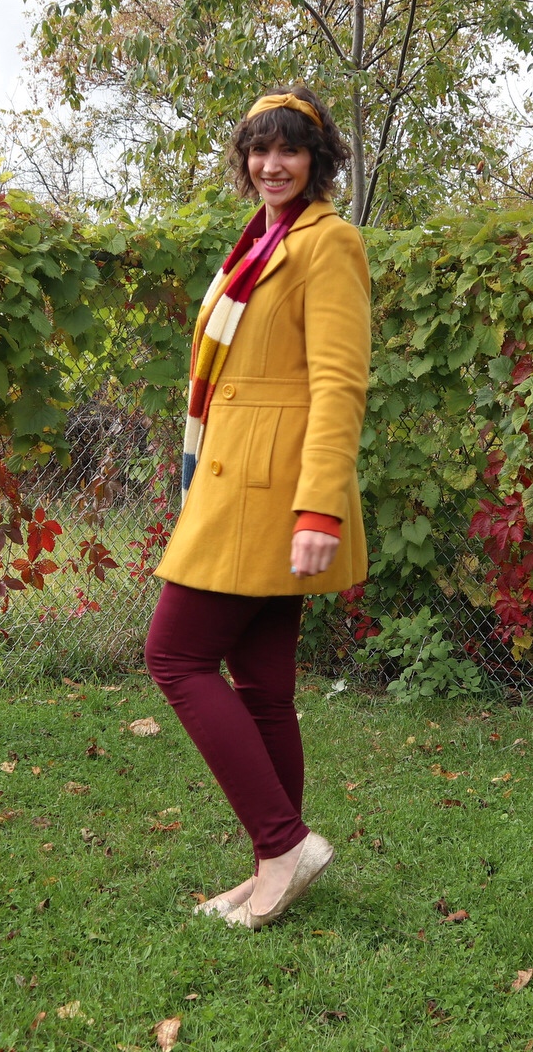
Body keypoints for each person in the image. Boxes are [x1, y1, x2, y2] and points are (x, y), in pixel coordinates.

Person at [144, 84, 371, 930]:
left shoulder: (327, 243)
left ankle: (283, 843)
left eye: (289, 150)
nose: (270, 164)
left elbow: (339, 382)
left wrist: (318, 509)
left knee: (174, 657)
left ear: (317, 161)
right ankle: (272, 865)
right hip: (233, 478)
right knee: (264, 686)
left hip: (272, 494)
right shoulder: (257, 243)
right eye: (257, 150)